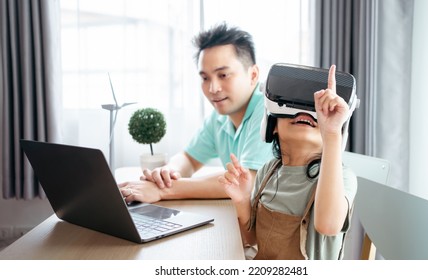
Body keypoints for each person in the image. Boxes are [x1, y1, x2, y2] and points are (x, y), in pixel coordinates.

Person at [119, 23, 273, 203]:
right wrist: (168, 172)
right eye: (205, 78)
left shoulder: (267, 110)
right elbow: (190, 158)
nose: (213, 88)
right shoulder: (219, 118)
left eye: (223, 75)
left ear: (253, 75)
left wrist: (163, 191)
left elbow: (245, 181)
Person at [218, 65, 357, 260]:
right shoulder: (268, 172)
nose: (304, 113)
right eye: (294, 109)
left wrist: (332, 132)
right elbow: (252, 239)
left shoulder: (342, 177)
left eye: (315, 115)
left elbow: (328, 225)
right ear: (272, 126)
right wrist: (242, 200)